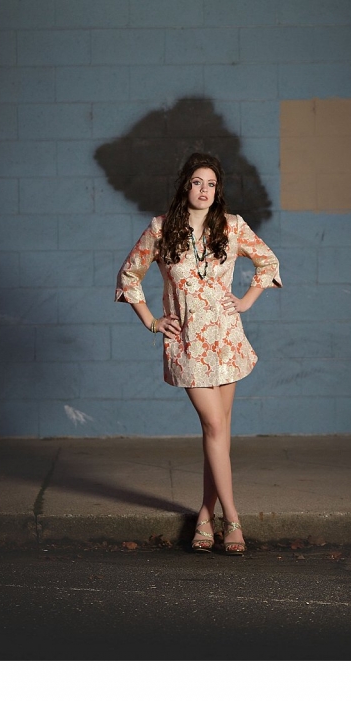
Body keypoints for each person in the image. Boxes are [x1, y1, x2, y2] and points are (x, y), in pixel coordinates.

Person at [114, 152, 282, 555]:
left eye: (211, 184)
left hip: (227, 339)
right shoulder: (160, 229)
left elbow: (268, 262)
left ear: (217, 190)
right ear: (184, 186)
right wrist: (151, 320)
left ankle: (204, 517)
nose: (204, 190)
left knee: (218, 432)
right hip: (188, 343)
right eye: (196, 182)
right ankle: (233, 519)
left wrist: (246, 301)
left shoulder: (232, 226)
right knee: (213, 426)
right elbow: (129, 275)